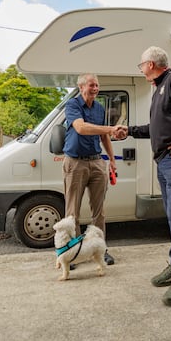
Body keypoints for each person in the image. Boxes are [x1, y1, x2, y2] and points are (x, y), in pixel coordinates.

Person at [115, 46, 171, 306]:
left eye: (141, 65)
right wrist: (128, 130)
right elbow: (156, 129)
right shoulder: (159, 89)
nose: (140, 70)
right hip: (164, 159)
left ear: (151, 64)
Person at [63, 73, 118, 266]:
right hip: (75, 162)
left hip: (96, 162)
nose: (96, 88)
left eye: (97, 85)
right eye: (92, 85)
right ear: (81, 87)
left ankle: (100, 250)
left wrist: (111, 160)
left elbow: (104, 137)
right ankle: (73, 253)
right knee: (72, 213)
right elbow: (81, 128)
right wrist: (109, 129)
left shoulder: (99, 108)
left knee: (99, 212)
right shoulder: (72, 105)